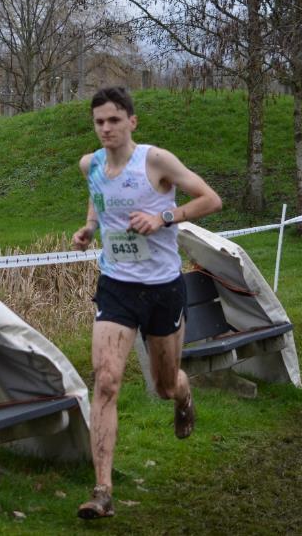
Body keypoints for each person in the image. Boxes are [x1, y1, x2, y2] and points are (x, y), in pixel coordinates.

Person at [71, 87, 222, 520]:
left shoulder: (156, 162)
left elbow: (210, 199)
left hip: (162, 288)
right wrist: (89, 228)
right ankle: (102, 491)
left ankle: (183, 393)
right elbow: (98, 195)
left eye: (114, 120)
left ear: (132, 121)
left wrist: (164, 217)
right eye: (99, 121)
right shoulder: (91, 164)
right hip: (116, 286)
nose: (106, 129)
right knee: (106, 382)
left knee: (163, 384)